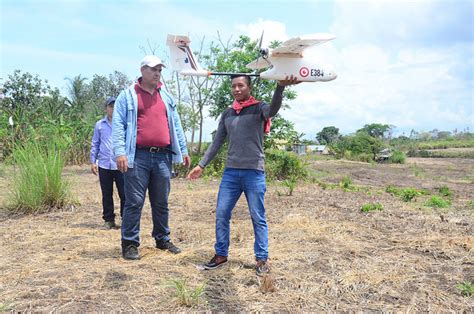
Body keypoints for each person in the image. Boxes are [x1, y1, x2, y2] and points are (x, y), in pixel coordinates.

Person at [187, 74, 299, 276]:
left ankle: (261, 259)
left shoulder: (259, 108)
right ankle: (220, 255)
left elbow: (273, 109)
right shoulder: (228, 113)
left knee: (258, 217)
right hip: (231, 173)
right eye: (233, 86)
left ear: (249, 87)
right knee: (221, 213)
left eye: (240, 85)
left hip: (254, 172)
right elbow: (217, 142)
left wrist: (280, 87)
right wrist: (201, 165)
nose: (237, 89)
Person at [112, 55, 190, 260]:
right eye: (153, 69)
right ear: (142, 70)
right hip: (137, 156)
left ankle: (162, 239)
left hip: (163, 156)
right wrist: (120, 152)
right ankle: (129, 243)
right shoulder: (128, 96)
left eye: (160, 70)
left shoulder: (166, 96)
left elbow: (176, 124)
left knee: (161, 201)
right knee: (134, 201)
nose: (157, 73)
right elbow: (118, 125)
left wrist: (183, 149)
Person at [90, 96, 125, 229]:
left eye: (115, 106)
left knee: (124, 194)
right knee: (106, 194)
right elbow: (95, 144)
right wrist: (93, 161)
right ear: (106, 108)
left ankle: (125, 220)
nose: (113, 109)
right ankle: (109, 220)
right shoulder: (100, 125)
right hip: (104, 164)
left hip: (121, 165)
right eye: (111, 106)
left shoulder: (123, 124)